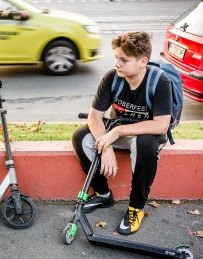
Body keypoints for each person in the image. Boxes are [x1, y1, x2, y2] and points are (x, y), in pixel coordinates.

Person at [72, 31, 172, 235]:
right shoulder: (112, 77)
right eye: (116, 57)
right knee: (81, 137)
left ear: (143, 61)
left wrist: (117, 131)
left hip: (145, 133)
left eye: (123, 60)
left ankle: (136, 207)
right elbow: (94, 117)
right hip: (116, 132)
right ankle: (103, 194)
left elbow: (161, 125)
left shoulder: (160, 82)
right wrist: (106, 146)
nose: (117, 64)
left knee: (145, 145)